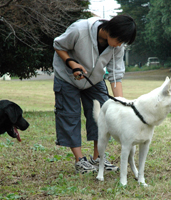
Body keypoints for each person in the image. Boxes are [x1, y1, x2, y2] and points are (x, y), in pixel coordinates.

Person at [52, 15, 137, 174]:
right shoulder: (79, 30)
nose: (120, 45)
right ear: (110, 31)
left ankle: (99, 159)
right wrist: (72, 63)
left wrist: (120, 103)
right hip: (67, 78)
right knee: (70, 115)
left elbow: (116, 76)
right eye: (119, 40)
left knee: (102, 116)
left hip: (94, 80)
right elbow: (58, 44)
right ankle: (80, 161)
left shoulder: (117, 47)